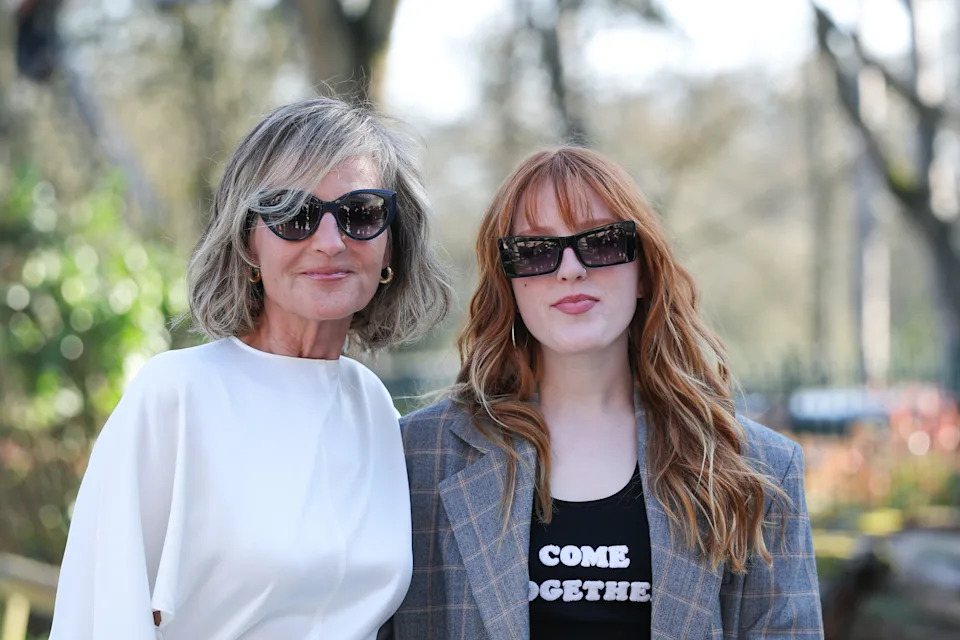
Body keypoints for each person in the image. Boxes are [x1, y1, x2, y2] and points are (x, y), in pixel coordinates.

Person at [49, 96, 451, 640]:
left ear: (391, 244)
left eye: (360, 213)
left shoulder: (374, 406)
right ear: (247, 244)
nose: (330, 242)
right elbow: (99, 618)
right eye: (293, 214)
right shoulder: (175, 397)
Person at [391, 146, 823, 639]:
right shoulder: (417, 459)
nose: (570, 269)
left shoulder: (758, 471)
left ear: (644, 272)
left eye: (600, 242)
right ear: (508, 282)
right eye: (535, 250)